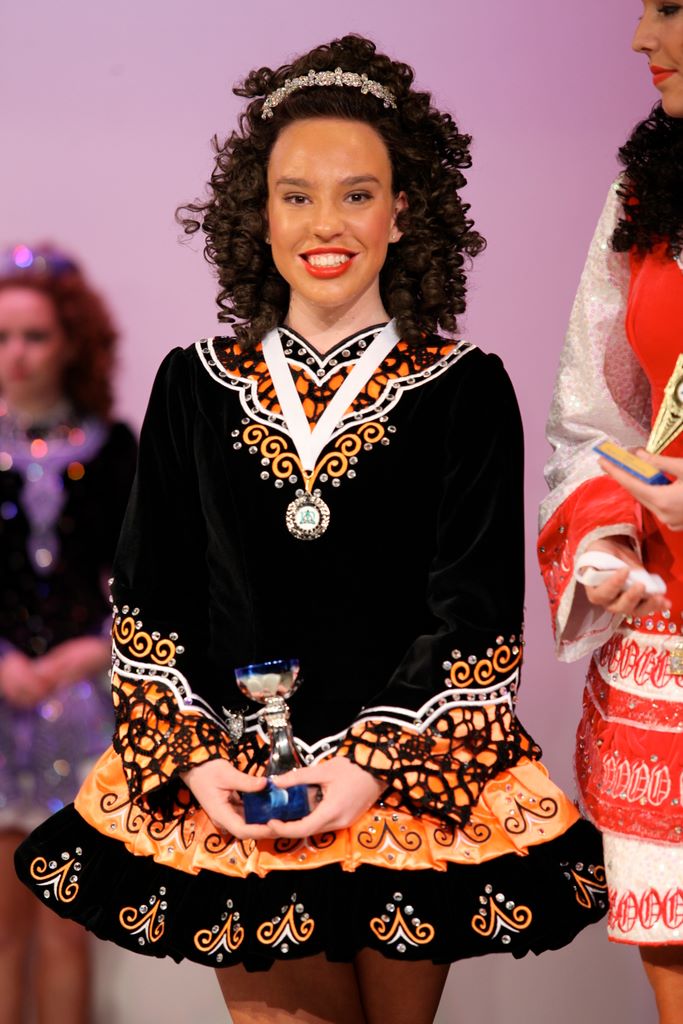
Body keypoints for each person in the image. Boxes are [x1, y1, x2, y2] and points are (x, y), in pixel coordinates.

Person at [16, 36, 605, 1024]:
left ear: (402, 210)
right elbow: (150, 601)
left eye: (355, 194)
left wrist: (364, 769)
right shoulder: (191, 383)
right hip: (241, 787)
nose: (324, 224)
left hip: (402, 786)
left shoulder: (464, 388)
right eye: (296, 195)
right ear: (259, 211)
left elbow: (473, 617)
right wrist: (200, 763)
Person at [538, 3, 683, 1021]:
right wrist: (602, 537)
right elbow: (595, 410)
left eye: (669, 6)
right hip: (669, 622)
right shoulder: (649, 186)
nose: (638, 38)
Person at [0, 245, 137, 1024]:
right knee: (0, 929)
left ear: (72, 343)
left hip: (82, 707)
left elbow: (147, 577)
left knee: (65, 925)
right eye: (2, 337)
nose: (16, 354)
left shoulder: (112, 449)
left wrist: (94, 647)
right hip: (0, 706)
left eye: (35, 336)